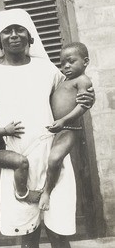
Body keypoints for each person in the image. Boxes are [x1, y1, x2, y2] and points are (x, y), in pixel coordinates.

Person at [0, 9, 95, 248]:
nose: (14, 35)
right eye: (7, 31)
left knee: (59, 234)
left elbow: (70, 99)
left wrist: (86, 99)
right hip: (17, 159)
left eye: (19, 29)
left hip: (50, 154)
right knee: (27, 235)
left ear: (30, 35)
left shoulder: (48, 70)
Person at [39, 42, 92, 212]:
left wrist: (64, 121)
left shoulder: (82, 80)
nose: (66, 66)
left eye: (71, 61)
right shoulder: (63, 81)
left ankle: (46, 192)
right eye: (62, 63)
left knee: (54, 159)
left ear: (85, 61)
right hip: (57, 129)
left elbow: (82, 106)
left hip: (70, 130)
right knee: (49, 161)